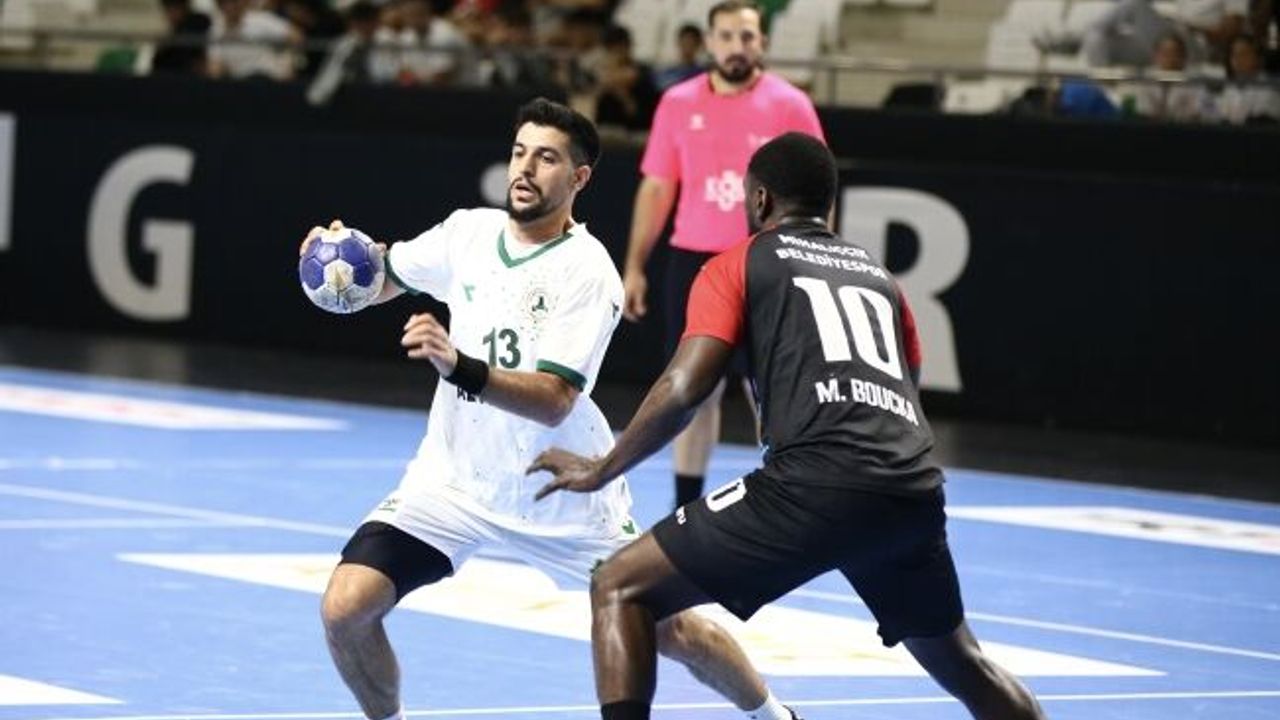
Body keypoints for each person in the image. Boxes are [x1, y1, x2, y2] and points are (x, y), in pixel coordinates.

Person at [304, 98, 800, 720]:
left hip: (559, 489)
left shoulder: (589, 274)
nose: (525, 168)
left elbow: (554, 399)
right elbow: (384, 278)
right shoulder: (467, 233)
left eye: (546, 158)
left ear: (579, 177)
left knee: (670, 628)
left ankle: (774, 715)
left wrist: (458, 365)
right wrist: (339, 275)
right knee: (345, 607)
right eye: (520, 153)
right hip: (454, 482)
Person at [529, 132, 1050, 720]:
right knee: (967, 665)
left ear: (759, 200)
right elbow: (906, 385)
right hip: (910, 492)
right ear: (829, 205)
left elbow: (685, 388)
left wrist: (604, 467)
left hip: (811, 487)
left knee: (619, 585)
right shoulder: (881, 280)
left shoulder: (739, 262)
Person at [620, 0, 824, 510]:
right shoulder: (677, 102)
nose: (737, 47)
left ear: (763, 43)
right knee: (694, 390)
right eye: (727, 36)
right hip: (697, 265)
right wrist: (635, 266)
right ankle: (683, 509)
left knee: (772, 393)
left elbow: (817, 192)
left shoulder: (790, 105)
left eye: (747, 37)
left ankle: (785, 503)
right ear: (710, 43)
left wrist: (814, 264)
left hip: (768, 263)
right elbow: (657, 187)